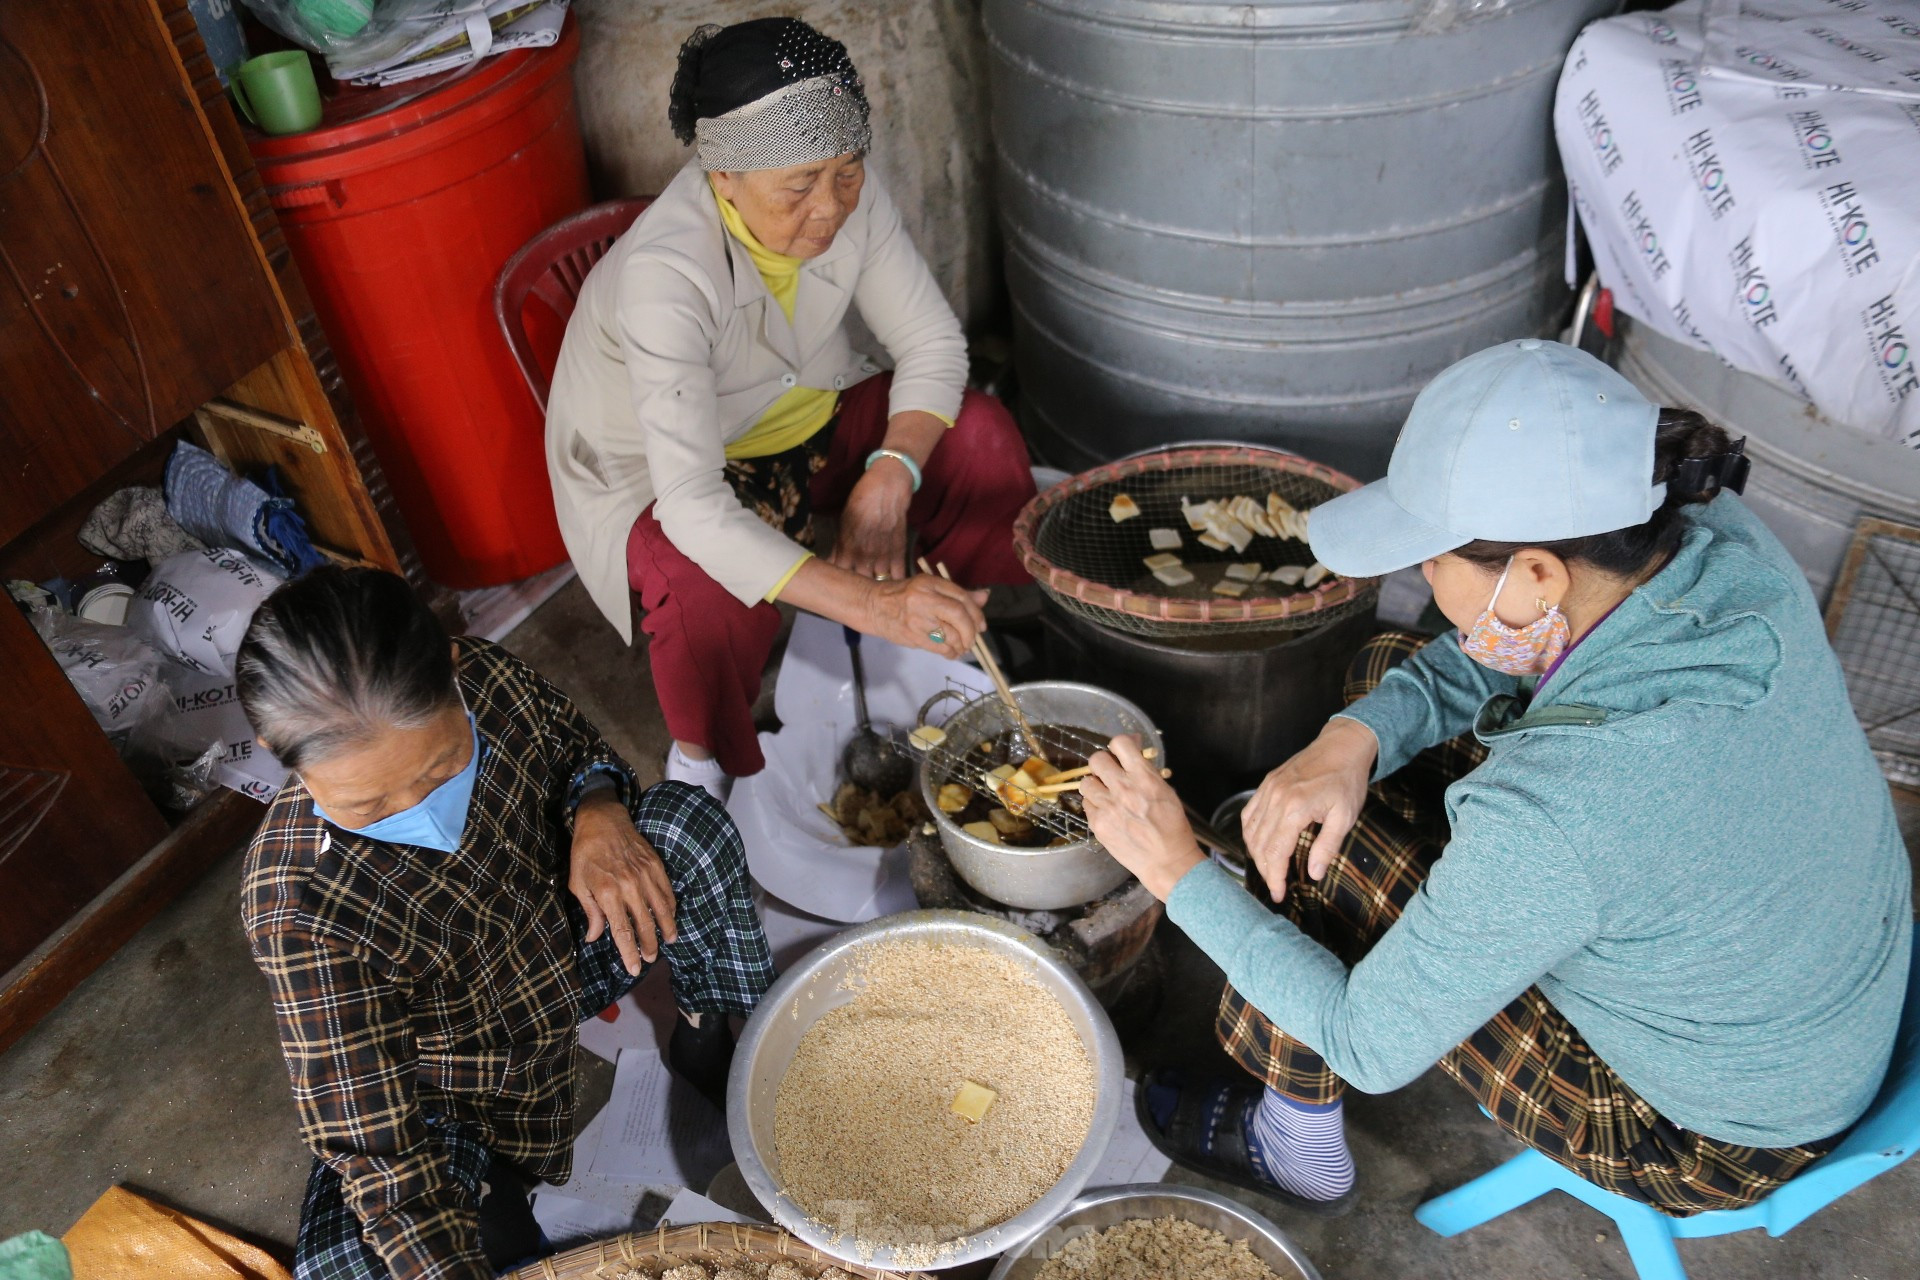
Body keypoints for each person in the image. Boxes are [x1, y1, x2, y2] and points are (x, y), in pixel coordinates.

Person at [1082, 340, 1912, 1218]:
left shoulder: (1568, 810)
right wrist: (1350, 740)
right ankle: (1377, 810)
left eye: (1432, 559)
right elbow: (1512, 659)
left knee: (1316, 863)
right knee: (1386, 678)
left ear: (1541, 572)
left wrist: (1177, 872)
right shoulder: (1714, 540)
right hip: (1821, 984)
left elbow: (1366, 1041)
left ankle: (1294, 1145)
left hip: (1710, 1131)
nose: (1424, 577)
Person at [545, 17, 1036, 801]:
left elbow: (935, 346)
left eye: (846, 171)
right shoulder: (668, 272)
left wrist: (891, 472)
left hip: (801, 415)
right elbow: (696, 510)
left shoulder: (851, 198)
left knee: (975, 435)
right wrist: (875, 604)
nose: (830, 207)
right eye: (798, 187)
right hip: (658, 472)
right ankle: (702, 763)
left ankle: (969, 638)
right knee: (706, 585)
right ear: (723, 178)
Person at [235, 567, 774, 1280]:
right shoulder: (300, 909)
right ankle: (507, 1210)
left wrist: (599, 805)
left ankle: (706, 1038)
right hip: (465, 1082)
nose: (414, 811)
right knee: (349, 1262)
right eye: (369, 806)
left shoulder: (486, 681)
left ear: (454, 673)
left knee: (681, 826)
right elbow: (378, 1144)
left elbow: (578, 751)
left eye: (439, 769)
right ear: (279, 753)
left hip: (567, 942)